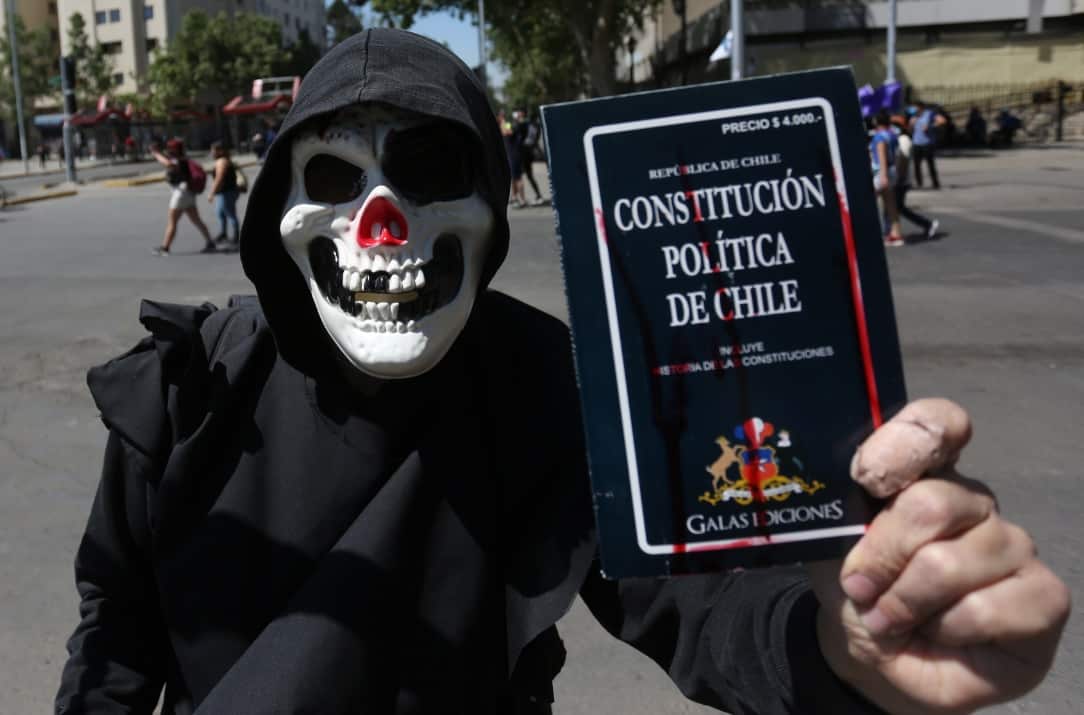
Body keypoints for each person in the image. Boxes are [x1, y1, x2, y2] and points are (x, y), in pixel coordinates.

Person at [56, 29, 1068, 715]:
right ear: (283, 208)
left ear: (493, 212)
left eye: (428, 171)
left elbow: (705, 600)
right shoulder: (189, 387)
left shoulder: (555, 389)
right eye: (334, 177)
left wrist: (853, 644)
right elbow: (115, 641)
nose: (378, 224)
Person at [149, 138, 216, 255]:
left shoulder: (177, 160)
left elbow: (168, 163)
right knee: (196, 220)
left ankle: (165, 248)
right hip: (188, 193)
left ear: (175, 148)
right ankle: (210, 242)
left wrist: (156, 154)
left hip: (181, 194)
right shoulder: (183, 159)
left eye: (170, 147)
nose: (168, 149)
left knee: (172, 222)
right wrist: (158, 152)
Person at [892, 117, 939, 241]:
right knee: (896, 207)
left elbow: (903, 161)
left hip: (901, 181)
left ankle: (927, 224)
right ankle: (893, 231)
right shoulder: (900, 139)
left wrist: (899, 179)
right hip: (899, 179)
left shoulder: (904, 140)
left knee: (898, 207)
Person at [870, 110, 904, 247]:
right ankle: (896, 234)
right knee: (891, 204)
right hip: (892, 171)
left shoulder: (879, 137)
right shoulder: (893, 135)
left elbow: (881, 155)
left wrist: (883, 175)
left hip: (881, 172)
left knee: (866, 203)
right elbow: (897, 155)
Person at [207, 141, 241, 248]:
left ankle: (236, 237)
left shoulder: (221, 161)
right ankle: (223, 233)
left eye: (213, 150)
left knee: (230, 213)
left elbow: (219, 178)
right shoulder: (223, 160)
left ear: (220, 151)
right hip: (225, 191)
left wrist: (212, 193)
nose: (211, 152)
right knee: (220, 213)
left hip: (227, 192)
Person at [908, 100, 946, 189]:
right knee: (916, 165)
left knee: (930, 164)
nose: (913, 109)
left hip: (927, 143)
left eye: (915, 107)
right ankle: (919, 183)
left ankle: (935, 183)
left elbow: (942, 121)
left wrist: (930, 126)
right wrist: (911, 124)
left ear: (920, 107)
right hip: (917, 143)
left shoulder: (929, 114)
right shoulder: (914, 116)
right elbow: (910, 130)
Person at [517, 110, 545, 205]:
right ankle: (538, 195)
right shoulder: (536, 126)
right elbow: (536, 139)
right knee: (529, 175)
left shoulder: (523, 124)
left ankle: (520, 199)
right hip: (530, 150)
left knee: (518, 175)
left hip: (523, 152)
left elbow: (513, 132)